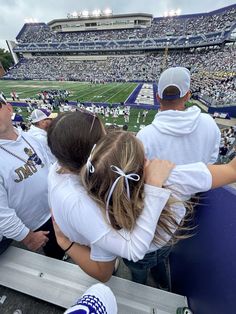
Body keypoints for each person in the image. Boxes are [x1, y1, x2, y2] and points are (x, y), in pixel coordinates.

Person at [50, 125, 236, 284]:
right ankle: (161, 283)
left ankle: (140, 283)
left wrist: (66, 242)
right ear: (143, 161)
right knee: (160, 265)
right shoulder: (176, 179)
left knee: (138, 271)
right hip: (163, 245)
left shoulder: (94, 199)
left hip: (138, 256)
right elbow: (231, 170)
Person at [48, 111, 174, 282]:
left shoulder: (57, 167)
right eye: (104, 136)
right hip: (100, 247)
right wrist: (153, 187)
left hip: (94, 236)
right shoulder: (90, 203)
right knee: (137, 273)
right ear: (94, 152)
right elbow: (107, 269)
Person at [0, 95, 64, 259]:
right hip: (34, 224)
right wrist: (27, 237)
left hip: (54, 209)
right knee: (55, 260)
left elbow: (48, 168)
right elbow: (2, 214)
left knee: (64, 246)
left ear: (9, 108)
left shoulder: (30, 138)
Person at [137, 67, 221, 164]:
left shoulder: (144, 136)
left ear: (158, 97)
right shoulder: (209, 123)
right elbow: (211, 162)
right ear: (188, 95)